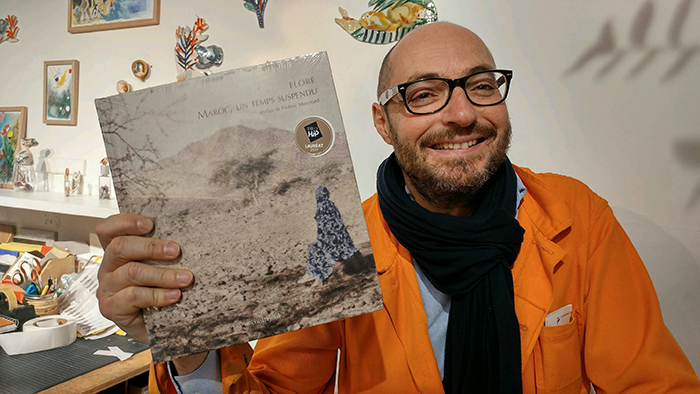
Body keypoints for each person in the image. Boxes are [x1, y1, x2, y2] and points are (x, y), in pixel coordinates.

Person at [96, 22, 700, 393]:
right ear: (384, 122)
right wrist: (190, 345)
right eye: (424, 94)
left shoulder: (578, 218)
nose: (461, 113)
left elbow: (655, 385)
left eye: (482, 84)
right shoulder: (340, 247)